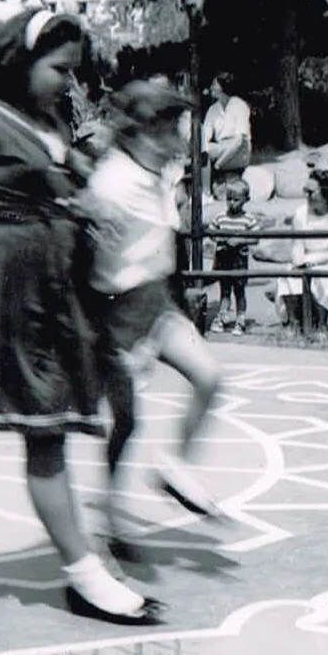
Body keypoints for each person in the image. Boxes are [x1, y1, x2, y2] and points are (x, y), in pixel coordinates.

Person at [0, 7, 163, 626]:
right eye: (59, 69)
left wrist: (83, 206)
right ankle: (84, 575)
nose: (69, 81)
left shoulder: (46, 123)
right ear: (20, 60)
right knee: (42, 430)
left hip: (39, 289)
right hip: (1, 294)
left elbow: (57, 186)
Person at [81, 80, 227, 556]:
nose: (179, 139)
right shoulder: (113, 184)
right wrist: (112, 336)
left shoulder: (157, 173)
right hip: (118, 313)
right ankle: (106, 520)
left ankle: (174, 466)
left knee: (209, 377)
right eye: (170, 128)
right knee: (126, 423)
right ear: (144, 130)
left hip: (157, 303)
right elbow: (88, 259)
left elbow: (161, 248)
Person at [275, 169, 328, 335]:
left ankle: (324, 325)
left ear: (326, 192)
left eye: (311, 192)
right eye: (305, 190)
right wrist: (299, 260)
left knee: (323, 276)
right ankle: (294, 323)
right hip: (306, 257)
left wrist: (311, 261)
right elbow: (297, 244)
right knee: (289, 274)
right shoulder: (300, 213)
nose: (307, 196)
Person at [209, 178, 260, 333]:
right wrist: (221, 238)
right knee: (224, 290)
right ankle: (222, 317)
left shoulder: (248, 219)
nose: (231, 203)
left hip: (239, 259)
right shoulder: (220, 217)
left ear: (246, 200)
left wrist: (240, 240)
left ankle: (240, 320)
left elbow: (255, 238)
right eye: (229, 199)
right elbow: (211, 232)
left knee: (239, 291)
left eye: (236, 200)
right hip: (223, 257)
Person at [202, 72, 251, 197]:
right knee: (202, 149)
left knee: (207, 150)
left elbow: (239, 140)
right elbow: (205, 136)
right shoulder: (213, 109)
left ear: (223, 87)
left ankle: (206, 192)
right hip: (221, 147)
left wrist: (219, 163)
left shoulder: (239, 105)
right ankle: (205, 193)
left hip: (240, 150)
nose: (211, 87)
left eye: (214, 84)